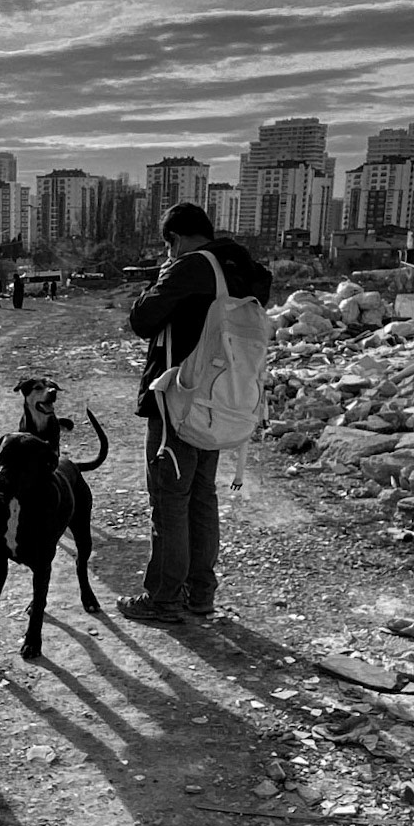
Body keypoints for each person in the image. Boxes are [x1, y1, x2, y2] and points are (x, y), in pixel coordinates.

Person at [117, 203, 273, 624]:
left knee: (170, 499)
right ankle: (200, 592)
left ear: (176, 238)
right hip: (222, 400)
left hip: (180, 400)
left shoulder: (190, 267)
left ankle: (164, 598)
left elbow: (143, 320)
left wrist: (162, 276)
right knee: (202, 497)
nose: (169, 253)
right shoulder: (243, 269)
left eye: (169, 245)